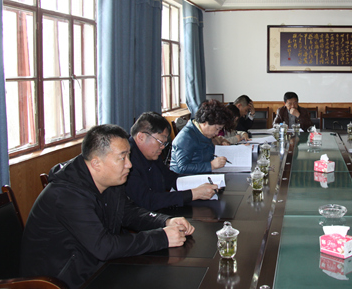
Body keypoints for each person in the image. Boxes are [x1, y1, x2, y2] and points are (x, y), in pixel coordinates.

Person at [20, 124, 195, 289]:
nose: (129, 164)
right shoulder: (67, 195)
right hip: (59, 282)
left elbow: (129, 213)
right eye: (122, 157)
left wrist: (165, 221)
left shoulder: (108, 180)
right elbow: (103, 247)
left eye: (129, 156)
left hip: (94, 268)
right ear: (96, 163)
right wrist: (161, 238)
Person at [125, 112, 218, 211]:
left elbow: (170, 178)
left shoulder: (150, 153)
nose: (162, 147)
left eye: (164, 143)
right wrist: (193, 194)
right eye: (160, 142)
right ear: (141, 137)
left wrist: (203, 182)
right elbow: (147, 200)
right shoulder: (127, 162)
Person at [170, 99, 232, 174]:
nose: (217, 133)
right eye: (217, 128)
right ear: (205, 122)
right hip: (185, 178)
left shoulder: (204, 133)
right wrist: (211, 165)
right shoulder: (186, 137)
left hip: (202, 174)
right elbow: (183, 168)